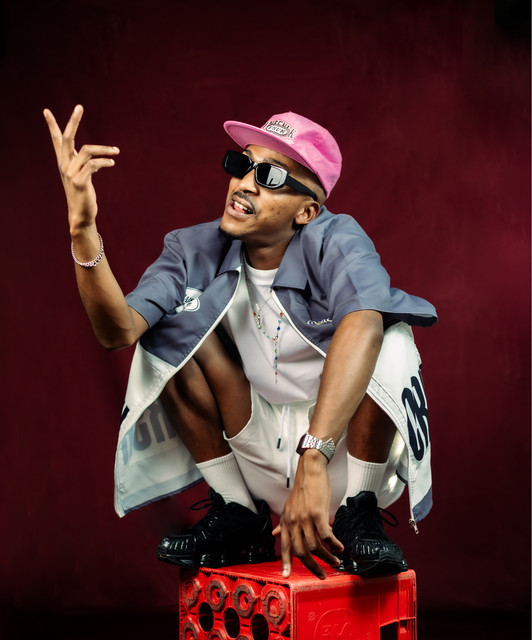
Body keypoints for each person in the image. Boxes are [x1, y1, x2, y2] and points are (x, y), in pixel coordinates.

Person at [44, 105, 437, 581]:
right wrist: (82, 231)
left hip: (341, 457)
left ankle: (360, 513)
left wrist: (314, 457)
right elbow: (118, 330)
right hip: (256, 452)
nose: (245, 183)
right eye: (242, 164)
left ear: (307, 211)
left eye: (271, 176)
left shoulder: (337, 240)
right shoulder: (192, 248)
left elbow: (363, 323)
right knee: (164, 331)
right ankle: (238, 513)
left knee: (389, 334)